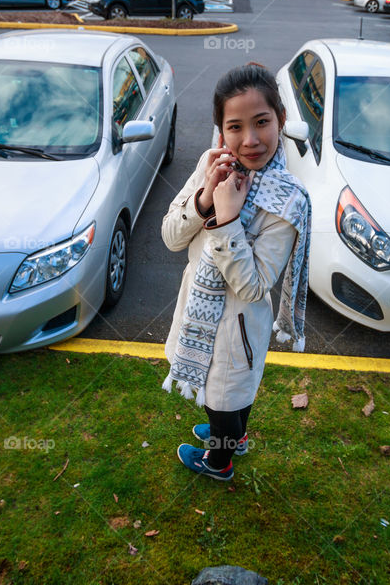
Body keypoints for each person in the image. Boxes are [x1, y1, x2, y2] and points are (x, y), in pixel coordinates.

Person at [160, 64, 311, 482]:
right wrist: (207, 196)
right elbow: (172, 237)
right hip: (197, 314)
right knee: (225, 396)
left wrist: (226, 221)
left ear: (280, 119)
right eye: (235, 126)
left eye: (262, 122)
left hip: (240, 329)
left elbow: (254, 285)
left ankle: (220, 461)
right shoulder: (212, 167)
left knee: (226, 398)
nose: (250, 139)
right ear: (221, 131)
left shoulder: (286, 201)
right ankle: (234, 437)